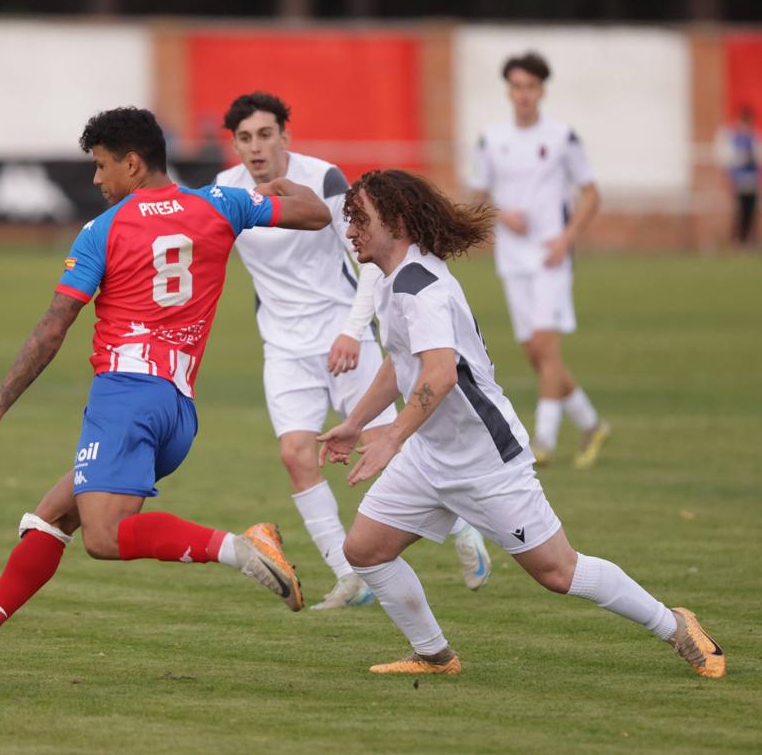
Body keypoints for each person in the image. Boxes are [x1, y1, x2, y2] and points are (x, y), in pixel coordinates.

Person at [0, 107, 332, 669]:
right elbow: (317, 214)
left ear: (133, 163)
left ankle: (239, 547)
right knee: (52, 518)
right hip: (177, 410)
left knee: (104, 537)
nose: (97, 180)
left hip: (126, 394)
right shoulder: (221, 204)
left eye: (103, 166)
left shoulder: (102, 231)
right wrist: (281, 185)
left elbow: (54, 326)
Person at [318, 170, 724, 678]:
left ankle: (676, 626)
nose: (349, 229)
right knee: (364, 551)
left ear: (397, 222)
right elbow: (402, 362)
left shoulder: (421, 287)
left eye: (360, 219)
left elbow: (440, 375)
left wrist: (392, 438)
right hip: (430, 455)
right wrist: (358, 423)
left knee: (558, 572)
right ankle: (434, 655)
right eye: (349, 218)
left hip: (485, 459)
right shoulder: (391, 280)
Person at [216, 92, 491, 609]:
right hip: (282, 345)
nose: (256, 147)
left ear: (285, 136)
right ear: (235, 144)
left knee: (393, 443)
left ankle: (465, 528)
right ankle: (349, 576)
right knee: (295, 455)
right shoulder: (225, 191)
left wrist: (351, 328)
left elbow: (365, 256)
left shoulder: (323, 179)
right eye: (245, 138)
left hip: (344, 336)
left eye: (266, 134)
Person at [469, 51, 609, 469]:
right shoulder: (491, 140)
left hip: (551, 256)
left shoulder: (563, 137)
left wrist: (566, 238)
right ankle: (591, 423)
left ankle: (543, 441)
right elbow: (479, 196)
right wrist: (501, 213)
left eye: (530, 87)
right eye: (517, 87)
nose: (523, 94)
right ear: (509, 91)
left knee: (547, 347)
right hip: (513, 260)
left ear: (541, 90)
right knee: (536, 354)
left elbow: (591, 193)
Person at [716, 106, 761, 247]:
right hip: (740, 181)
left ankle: (748, 241)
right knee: (740, 211)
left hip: (753, 181)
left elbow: (759, 157)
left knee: (751, 211)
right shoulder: (734, 139)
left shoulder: (754, 138)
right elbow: (729, 160)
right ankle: (736, 240)